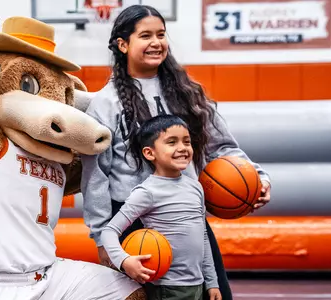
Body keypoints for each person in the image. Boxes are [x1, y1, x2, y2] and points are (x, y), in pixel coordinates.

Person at [80, 5, 271, 300]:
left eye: (161, 34)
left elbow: (224, 148)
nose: (156, 42)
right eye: (145, 35)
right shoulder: (105, 104)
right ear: (123, 44)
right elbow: (96, 175)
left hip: (186, 217)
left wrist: (257, 178)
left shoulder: (187, 93)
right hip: (136, 225)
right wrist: (102, 237)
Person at [100, 114, 222, 300]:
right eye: (172, 142)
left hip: (197, 284)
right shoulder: (147, 192)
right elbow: (109, 232)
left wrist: (212, 282)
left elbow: (203, 236)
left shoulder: (195, 187)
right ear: (150, 153)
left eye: (186, 142)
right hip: (166, 287)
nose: (182, 148)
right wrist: (124, 261)